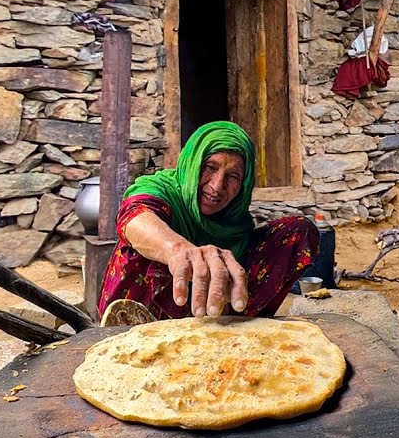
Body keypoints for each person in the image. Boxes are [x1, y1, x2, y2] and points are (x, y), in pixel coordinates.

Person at [98, 121, 318, 320]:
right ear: (193, 163)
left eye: (233, 177)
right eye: (210, 167)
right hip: (141, 323)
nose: (216, 186)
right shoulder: (162, 189)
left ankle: (233, 328)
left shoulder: (235, 222)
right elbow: (136, 215)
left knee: (298, 230)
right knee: (150, 248)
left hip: (212, 329)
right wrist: (178, 251)